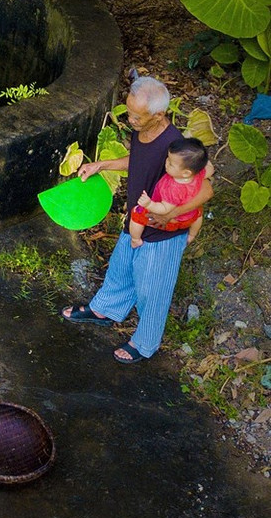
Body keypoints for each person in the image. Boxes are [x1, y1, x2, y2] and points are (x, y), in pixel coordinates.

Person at [61, 76, 213, 364]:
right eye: (129, 112)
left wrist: (172, 212)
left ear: (159, 115)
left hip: (163, 234)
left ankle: (145, 343)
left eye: (137, 116)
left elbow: (207, 187)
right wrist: (101, 165)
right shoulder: (143, 129)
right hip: (139, 218)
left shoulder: (178, 145)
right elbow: (138, 160)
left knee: (151, 290)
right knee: (121, 268)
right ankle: (106, 309)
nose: (130, 119)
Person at [129, 137, 208, 251]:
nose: (166, 162)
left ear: (185, 173)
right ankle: (192, 235)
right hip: (190, 217)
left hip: (172, 222)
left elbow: (165, 209)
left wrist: (149, 204)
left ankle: (135, 240)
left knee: (137, 213)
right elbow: (209, 168)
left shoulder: (172, 188)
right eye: (168, 159)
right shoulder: (198, 173)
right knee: (199, 210)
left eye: (171, 164)